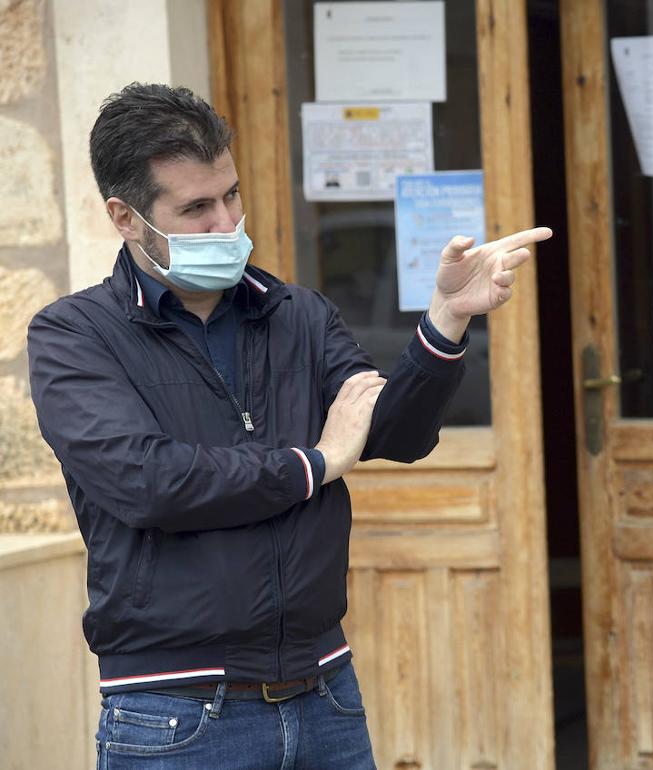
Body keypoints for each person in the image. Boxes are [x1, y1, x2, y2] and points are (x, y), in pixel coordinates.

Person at [26, 83, 551, 769]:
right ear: (125, 217)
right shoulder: (73, 335)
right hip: (174, 715)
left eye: (232, 196)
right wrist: (316, 462)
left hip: (325, 694)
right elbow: (149, 481)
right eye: (196, 208)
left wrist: (444, 325)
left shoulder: (297, 313)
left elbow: (395, 434)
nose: (227, 224)